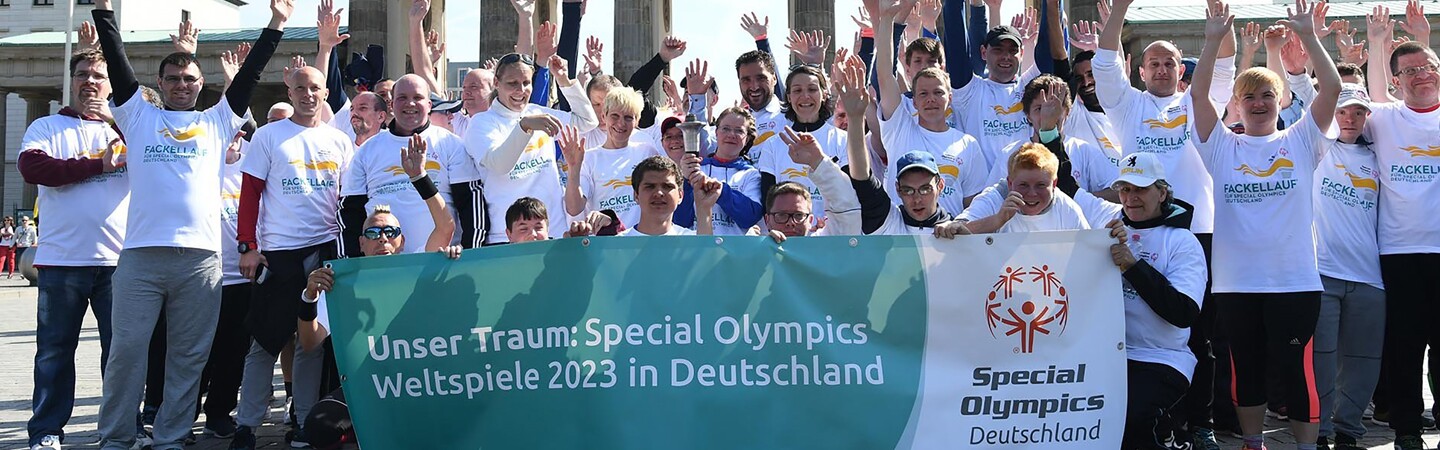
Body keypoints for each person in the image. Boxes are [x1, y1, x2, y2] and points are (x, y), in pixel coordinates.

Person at [89, 0, 288, 447]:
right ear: (158, 84)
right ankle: (116, 437)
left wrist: (276, 23)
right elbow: (118, 62)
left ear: (203, 86)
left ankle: (171, 437)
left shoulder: (217, 121)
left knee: (189, 356)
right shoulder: (138, 115)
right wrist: (103, 11)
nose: (182, 85)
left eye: (191, 79)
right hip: (140, 257)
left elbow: (252, 73)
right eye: (174, 79)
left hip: (200, 261)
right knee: (125, 353)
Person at [1188, 1, 1342, 448]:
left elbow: (1330, 88)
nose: (1258, 103)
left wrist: (1310, 36)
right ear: (1236, 104)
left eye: (1267, 95)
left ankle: (1306, 445)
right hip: (1237, 284)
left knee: (1295, 371)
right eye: (1248, 97)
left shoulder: (1301, 140)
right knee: (1247, 368)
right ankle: (1253, 443)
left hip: (1294, 282)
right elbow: (1198, 97)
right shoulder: (1220, 148)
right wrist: (1214, 38)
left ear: (1280, 102)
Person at [1098, 0, 1236, 444]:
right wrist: (1119, 10)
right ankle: (1163, 419)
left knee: (1200, 335)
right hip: (1136, 232)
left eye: (1169, 63)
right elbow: (1103, 62)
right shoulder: (1127, 107)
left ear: (1182, 69)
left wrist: (1219, 30)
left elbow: (1225, 68)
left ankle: (1201, 424)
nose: (1160, 69)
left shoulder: (1199, 101)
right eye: (1152, 63)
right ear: (1139, 71)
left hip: (1198, 233)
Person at [296, 143, 461, 449]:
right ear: (361, 243)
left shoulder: (418, 269)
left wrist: (420, 177)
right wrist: (308, 298)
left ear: (402, 241)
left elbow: (446, 226)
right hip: (367, 386)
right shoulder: (342, 283)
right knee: (319, 429)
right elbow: (310, 341)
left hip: (421, 383)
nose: (382, 238)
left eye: (390, 233)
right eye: (373, 233)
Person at [230, 65, 354, 449]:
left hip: (324, 252)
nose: (308, 94)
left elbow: (347, 202)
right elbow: (249, 194)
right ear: (291, 89)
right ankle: (247, 425)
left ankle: (303, 420)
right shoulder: (269, 136)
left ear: (324, 93)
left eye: (315, 88)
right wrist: (248, 247)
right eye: (300, 87)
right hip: (279, 253)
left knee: (309, 344)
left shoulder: (340, 141)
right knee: (264, 342)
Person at [17, 48, 128, 450]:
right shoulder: (46, 126)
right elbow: (35, 170)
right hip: (61, 261)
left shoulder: (126, 129)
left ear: (111, 83)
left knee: (120, 355)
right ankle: (46, 431)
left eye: (99, 75)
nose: (91, 82)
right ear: (72, 80)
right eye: (83, 74)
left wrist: (117, 121)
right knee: (54, 353)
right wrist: (98, 164)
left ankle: (120, 428)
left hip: (119, 263)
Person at [1362, 3, 1440, 448]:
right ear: (1396, 81)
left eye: (1426, 67)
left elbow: (1426, 64)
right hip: (1399, 253)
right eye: (1408, 72)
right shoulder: (1386, 119)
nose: (1420, 75)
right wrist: (1377, 43)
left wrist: (1422, 41)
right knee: (1405, 347)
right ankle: (1408, 430)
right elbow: (1374, 91)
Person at [1096, 152, 1209, 450]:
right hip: (1108, 355)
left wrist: (1134, 267)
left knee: (1132, 417)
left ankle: (1175, 439)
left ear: (1162, 192)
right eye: (1124, 189)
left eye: (1140, 189)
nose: (1130, 198)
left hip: (1161, 357)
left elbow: (1183, 312)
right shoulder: (1104, 230)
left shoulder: (1182, 242)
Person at [1310, 85, 1384, 450]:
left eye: (1358, 112)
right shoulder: (1317, 147)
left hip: (1370, 277)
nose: (1349, 119)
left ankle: (1348, 432)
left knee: (1363, 361)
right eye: (1341, 111)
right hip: (1322, 272)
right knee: (1322, 361)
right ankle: (1320, 431)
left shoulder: (1378, 156)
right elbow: (1299, 96)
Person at [340, 74, 486, 256]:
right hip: (382, 263)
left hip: (438, 260)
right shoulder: (367, 150)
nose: (410, 104)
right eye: (402, 98)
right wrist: (352, 265)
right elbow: (350, 213)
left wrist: (471, 255)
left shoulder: (451, 144)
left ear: (429, 105)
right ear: (391, 105)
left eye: (417, 98)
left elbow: (470, 204)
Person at [462, 50, 598, 244]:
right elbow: (499, 165)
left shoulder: (537, 113)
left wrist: (564, 80)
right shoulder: (481, 123)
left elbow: (587, 121)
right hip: (506, 236)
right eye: (512, 83)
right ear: (496, 83)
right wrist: (524, 127)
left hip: (552, 231)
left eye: (526, 83)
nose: (521, 90)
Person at [873, 2, 988, 212]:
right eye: (923, 94)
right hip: (903, 238)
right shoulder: (900, 127)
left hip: (950, 238)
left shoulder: (967, 144)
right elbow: (883, 74)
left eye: (938, 93)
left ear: (950, 98)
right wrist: (887, 20)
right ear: (913, 101)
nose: (931, 100)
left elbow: (973, 206)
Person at [197, 129, 253, 440]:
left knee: (233, 353)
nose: (233, 138)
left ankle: (219, 413)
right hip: (201, 275)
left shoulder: (252, 166)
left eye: (239, 133)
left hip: (240, 276)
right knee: (195, 352)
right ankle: (182, 413)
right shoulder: (202, 165)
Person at [983, 75, 1119, 202]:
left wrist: (1078, 200)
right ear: (1028, 116)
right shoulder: (1010, 153)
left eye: (1054, 107)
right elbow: (990, 199)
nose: (1047, 115)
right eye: (1039, 109)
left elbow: (1117, 192)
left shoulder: (1084, 150)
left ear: (1067, 112)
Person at [755, 64, 851, 222]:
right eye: (797, 90)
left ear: (824, 93)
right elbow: (768, 200)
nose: (805, 96)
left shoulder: (842, 139)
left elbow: (849, 192)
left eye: (812, 89)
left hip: (832, 234)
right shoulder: (773, 144)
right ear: (788, 97)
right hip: (788, 235)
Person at [561, 87, 662, 229]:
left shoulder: (647, 152)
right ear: (604, 117)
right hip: (605, 243)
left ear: (637, 121)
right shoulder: (589, 158)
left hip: (641, 241)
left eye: (628, 117)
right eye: (615, 116)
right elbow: (574, 208)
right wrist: (573, 169)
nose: (621, 124)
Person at [952, 143, 1089, 233]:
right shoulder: (994, 199)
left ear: (1054, 184)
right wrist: (998, 220)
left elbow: (1087, 252)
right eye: (1023, 185)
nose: (1032, 193)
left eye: (1041, 185)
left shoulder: (1067, 209)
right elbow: (957, 229)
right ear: (1010, 183)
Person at [673, 107, 764, 235]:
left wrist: (721, 192)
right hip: (698, 249)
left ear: (747, 138)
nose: (731, 135)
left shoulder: (751, 174)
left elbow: (749, 217)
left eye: (739, 131)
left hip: (734, 252)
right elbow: (680, 221)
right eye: (725, 128)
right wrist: (686, 182)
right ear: (716, 132)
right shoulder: (696, 168)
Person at [611, 156, 720, 236]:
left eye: (667, 186)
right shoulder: (618, 245)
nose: (659, 193)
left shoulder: (691, 241)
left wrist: (704, 208)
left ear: (681, 195)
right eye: (650, 186)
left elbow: (706, 263)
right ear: (636, 195)